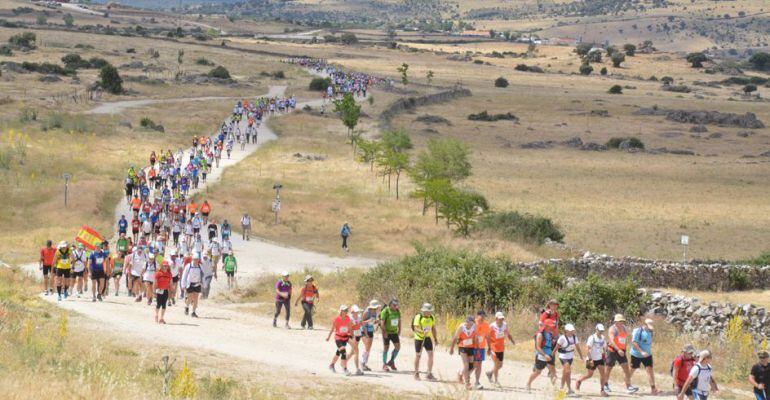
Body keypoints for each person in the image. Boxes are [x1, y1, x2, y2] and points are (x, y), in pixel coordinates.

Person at [606, 314, 639, 394]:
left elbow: (625, 339)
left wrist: (624, 348)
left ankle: (628, 386)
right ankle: (605, 385)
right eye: (620, 321)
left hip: (622, 351)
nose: (622, 322)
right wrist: (618, 350)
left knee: (626, 368)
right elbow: (611, 341)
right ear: (616, 321)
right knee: (608, 369)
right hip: (612, 351)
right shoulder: (612, 329)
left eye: (622, 321)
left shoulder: (624, 328)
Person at [576, 323, 609, 397]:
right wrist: (590, 359)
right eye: (599, 330)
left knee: (603, 374)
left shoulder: (603, 338)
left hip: (600, 359)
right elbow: (587, 348)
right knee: (589, 375)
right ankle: (579, 381)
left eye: (602, 331)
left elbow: (604, 348)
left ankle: (602, 390)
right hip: (591, 359)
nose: (601, 332)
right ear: (596, 330)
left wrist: (605, 356)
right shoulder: (592, 338)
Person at [629, 318, 659, 394]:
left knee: (650, 370)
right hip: (636, 355)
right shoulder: (637, 331)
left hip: (648, 355)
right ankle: (627, 384)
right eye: (649, 326)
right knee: (632, 369)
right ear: (644, 324)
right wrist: (641, 352)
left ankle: (653, 389)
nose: (650, 328)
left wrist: (647, 351)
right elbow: (634, 343)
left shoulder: (651, 331)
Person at [526, 319, 558, 391]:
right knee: (538, 372)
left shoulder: (550, 334)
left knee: (553, 370)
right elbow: (537, 347)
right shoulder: (540, 334)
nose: (552, 327)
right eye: (550, 326)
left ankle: (555, 388)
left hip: (549, 355)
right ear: (546, 326)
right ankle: (528, 383)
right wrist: (545, 355)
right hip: (541, 355)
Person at [486, 311, 515, 387]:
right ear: (496, 319)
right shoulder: (492, 326)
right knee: (496, 364)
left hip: (501, 348)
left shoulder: (504, 325)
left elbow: (507, 333)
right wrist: (489, 347)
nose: (501, 320)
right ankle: (496, 381)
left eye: (502, 318)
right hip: (493, 348)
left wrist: (511, 340)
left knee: (500, 365)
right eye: (499, 319)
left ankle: (490, 373)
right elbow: (487, 337)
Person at [554, 323, 585, 395]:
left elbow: (577, 347)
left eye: (572, 330)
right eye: (570, 331)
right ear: (566, 331)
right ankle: (561, 388)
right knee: (568, 371)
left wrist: (581, 356)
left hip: (570, 357)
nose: (571, 332)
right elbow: (556, 347)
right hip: (563, 356)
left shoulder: (574, 337)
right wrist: (551, 355)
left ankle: (569, 389)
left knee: (567, 373)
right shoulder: (562, 338)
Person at [449, 315, 478, 390]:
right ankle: (467, 383)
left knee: (471, 366)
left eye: (470, 322)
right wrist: (451, 348)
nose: (468, 323)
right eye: (467, 321)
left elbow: (476, 338)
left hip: (471, 347)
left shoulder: (474, 326)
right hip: (462, 347)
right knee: (466, 364)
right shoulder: (461, 327)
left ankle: (460, 373)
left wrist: (477, 348)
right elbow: (455, 338)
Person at [412, 303, 437, 381]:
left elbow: (433, 328)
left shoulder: (432, 317)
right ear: (424, 311)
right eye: (427, 311)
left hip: (427, 338)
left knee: (431, 355)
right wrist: (422, 332)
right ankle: (416, 373)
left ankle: (429, 373)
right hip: (419, 338)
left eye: (430, 311)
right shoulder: (418, 317)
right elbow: (415, 328)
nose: (429, 312)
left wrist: (435, 338)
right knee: (418, 355)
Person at [326, 305, 353, 376]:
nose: (346, 312)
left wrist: (351, 335)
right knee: (343, 352)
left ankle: (331, 365)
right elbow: (332, 329)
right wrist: (328, 337)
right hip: (338, 338)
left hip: (345, 338)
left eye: (346, 310)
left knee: (338, 353)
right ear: (341, 311)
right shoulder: (337, 319)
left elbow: (350, 328)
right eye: (344, 310)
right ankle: (345, 369)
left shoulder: (348, 318)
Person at [469, 310, 491, 390]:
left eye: (484, 317)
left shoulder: (486, 325)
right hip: (472, 347)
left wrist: (489, 347)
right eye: (481, 316)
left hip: (481, 347)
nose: (483, 318)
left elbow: (488, 337)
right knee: (474, 364)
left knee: (479, 364)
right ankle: (464, 375)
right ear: (477, 316)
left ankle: (477, 382)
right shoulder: (473, 323)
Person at [379, 299, 401, 372]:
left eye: (396, 305)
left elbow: (399, 321)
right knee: (386, 348)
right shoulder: (385, 311)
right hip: (387, 332)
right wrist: (384, 332)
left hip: (394, 332)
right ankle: (384, 364)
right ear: (390, 304)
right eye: (394, 305)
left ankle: (391, 361)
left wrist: (399, 330)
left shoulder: (397, 311)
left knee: (397, 347)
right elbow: (382, 322)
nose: (395, 306)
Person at [181, 253, 203, 318]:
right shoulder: (188, 266)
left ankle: (193, 312)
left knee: (196, 298)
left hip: (197, 284)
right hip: (189, 284)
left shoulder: (200, 266)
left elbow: (202, 275)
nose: (196, 261)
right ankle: (187, 306)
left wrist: (202, 282)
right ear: (192, 259)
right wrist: (183, 285)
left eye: (197, 259)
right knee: (190, 297)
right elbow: (184, 275)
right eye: (194, 259)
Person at [361, 300, 380, 371]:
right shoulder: (366, 312)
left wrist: (376, 322)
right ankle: (362, 363)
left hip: (370, 330)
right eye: (375, 307)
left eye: (376, 307)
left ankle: (364, 364)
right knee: (366, 347)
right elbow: (362, 322)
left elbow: (373, 321)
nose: (375, 309)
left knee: (368, 348)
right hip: (364, 331)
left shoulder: (375, 312)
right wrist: (369, 321)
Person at [349, 304, 365, 375]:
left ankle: (343, 364)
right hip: (353, 337)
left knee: (352, 352)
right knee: (356, 352)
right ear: (352, 312)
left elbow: (361, 325)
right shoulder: (350, 319)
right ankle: (357, 369)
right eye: (355, 311)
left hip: (358, 336)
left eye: (357, 311)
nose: (356, 313)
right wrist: (352, 338)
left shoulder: (359, 317)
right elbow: (350, 329)